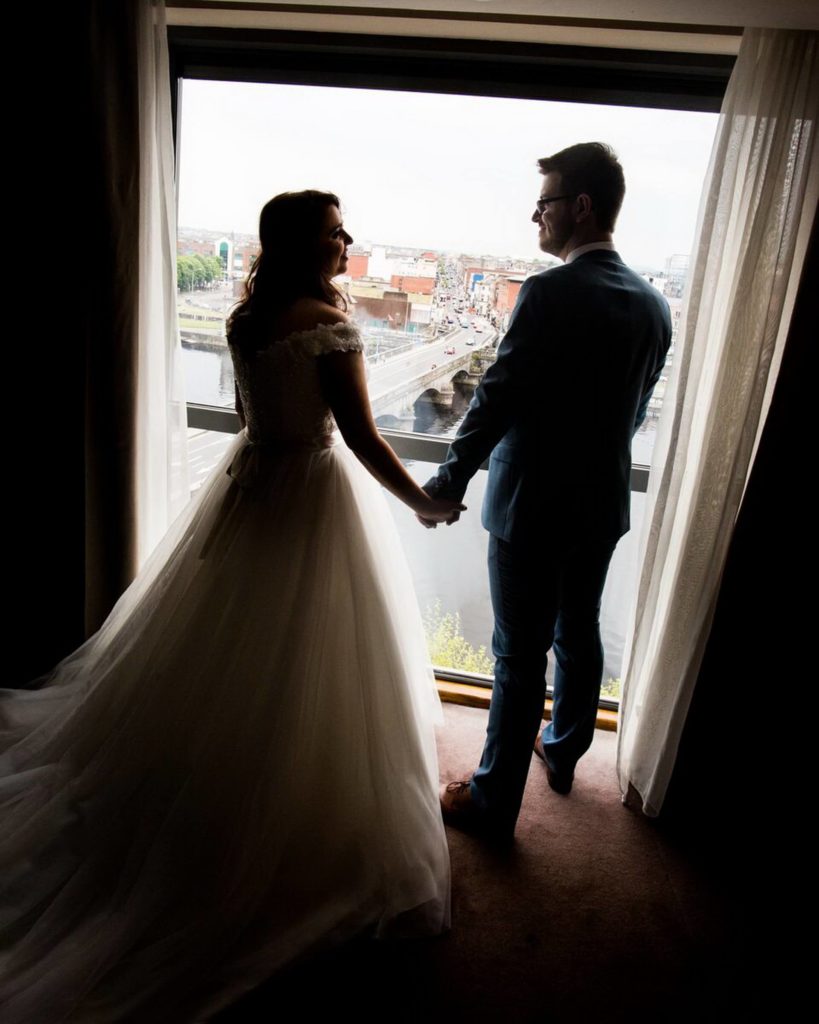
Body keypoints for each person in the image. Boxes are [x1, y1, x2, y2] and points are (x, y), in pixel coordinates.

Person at [0, 190, 462, 1021]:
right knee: (309, 656)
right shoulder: (330, 322)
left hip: (253, 484)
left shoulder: (248, 321)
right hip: (314, 494)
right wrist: (424, 501)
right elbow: (359, 437)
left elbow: (254, 418)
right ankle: (283, 819)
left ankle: (203, 783)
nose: (346, 242)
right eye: (333, 232)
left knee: (230, 649)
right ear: (300, 243)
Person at [426, 143, 672, 840]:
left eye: (545, 202)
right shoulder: (653, 305)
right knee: (578, 631)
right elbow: (631, 415)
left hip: (529, 505)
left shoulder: (547, 291)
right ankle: (562, 750)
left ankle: (493, 800)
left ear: (581, 207)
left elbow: (495, 400)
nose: (534, 215)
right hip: (600, 504)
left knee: (515, 654)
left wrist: (445, 483)